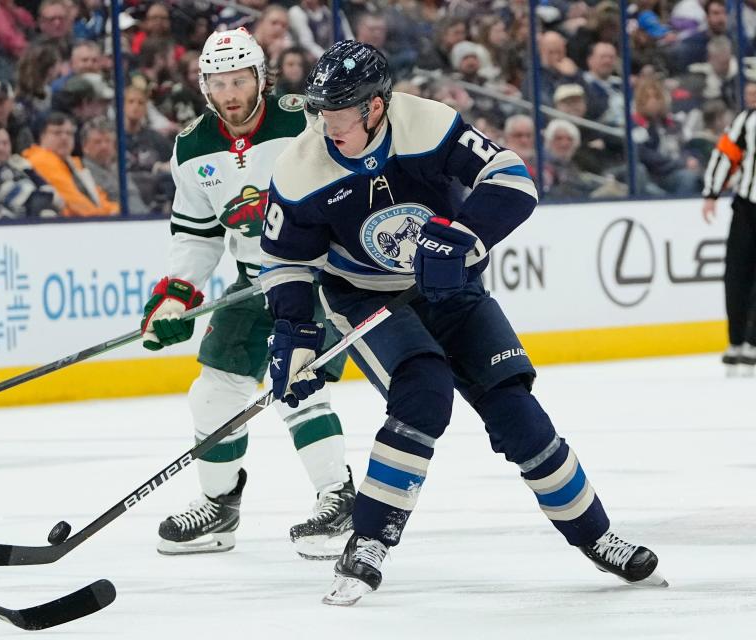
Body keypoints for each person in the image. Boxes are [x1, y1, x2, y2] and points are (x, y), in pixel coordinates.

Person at [258, 41, 667, 606]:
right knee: (423, 390)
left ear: (377, 106)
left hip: (451, 288)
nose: (329, 126)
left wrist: (461, 237)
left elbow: (513, 179)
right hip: (364, 296)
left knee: (517, 412)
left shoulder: (426, 123)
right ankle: (370, 540)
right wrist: (294, 335)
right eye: (323, 113)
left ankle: (597, 536)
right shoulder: (300, 168)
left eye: (342, 113)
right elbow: (286, 260)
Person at [142, 28, 355, 560]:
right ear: (204, 86)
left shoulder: (303, 120)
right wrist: (177, 297)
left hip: (315, 276)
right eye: (219, 83)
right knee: (212, 394)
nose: (230, 93)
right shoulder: (192, 147)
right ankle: (218, 508)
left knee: (297, 381)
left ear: (261, 78)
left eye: (240, 80)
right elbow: (197, 234)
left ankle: (339, 500)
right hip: (252, 282)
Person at [701, 105, 756, 370]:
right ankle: (738, 340)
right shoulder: (747, 119)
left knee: (744, 274)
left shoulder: (747, 119)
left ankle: (750, 341)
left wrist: (712, 193)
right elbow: (726, 154)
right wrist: (712, 192)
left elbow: (727, 155)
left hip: (747, 205)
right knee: (736, 273)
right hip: (747, 206)